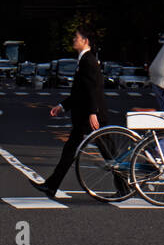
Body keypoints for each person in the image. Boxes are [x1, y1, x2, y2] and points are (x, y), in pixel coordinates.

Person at [33, 23, 108, 198]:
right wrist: (62, 106)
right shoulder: (85, 60)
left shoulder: (88, 60)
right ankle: (51, 186)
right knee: (76, 150)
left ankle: (51, 186)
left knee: (107, 152)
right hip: (86, 115)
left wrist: (92, 112)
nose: (73, 39)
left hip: (89, 116)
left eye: (76, 37)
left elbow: (92, 89)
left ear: (86, 41)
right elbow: (80, 92)